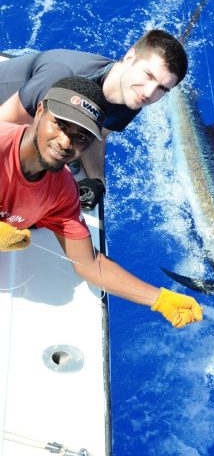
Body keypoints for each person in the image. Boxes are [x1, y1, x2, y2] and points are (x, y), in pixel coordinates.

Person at [0, 76, 202, 329]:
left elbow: (89, 264)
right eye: (60, 125)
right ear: (40, 110)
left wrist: (160, 299)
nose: (65, 143)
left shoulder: (63, 191)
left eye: (81, 137)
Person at [0, 29, 188, 209]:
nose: (149, 92)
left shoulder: (133, 98)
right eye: (148, 75)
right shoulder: (63, 76)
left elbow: (99, 136)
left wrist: (97, 181)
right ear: (130, 57)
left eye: (162, 89)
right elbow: (4, 124)